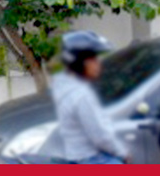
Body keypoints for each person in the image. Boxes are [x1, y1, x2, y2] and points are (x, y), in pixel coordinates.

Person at [50, 30, 130, 164]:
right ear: (78, 62)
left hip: (74, 156)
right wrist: (122, 153)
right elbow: (100, 136)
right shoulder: (81, 95)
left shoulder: (62, 85)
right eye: (92, 59)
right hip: (90, 159)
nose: (98, 64)